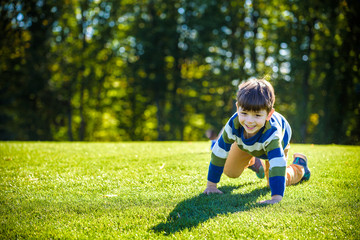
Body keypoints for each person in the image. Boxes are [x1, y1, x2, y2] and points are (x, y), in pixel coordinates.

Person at [203, 78, 310, 204]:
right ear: (238, 108)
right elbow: (219, 151)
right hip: (245, 145)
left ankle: (300, 167)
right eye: (244, 113)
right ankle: (254, 162)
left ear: (269, 114)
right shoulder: (234, 123)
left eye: (257, 115)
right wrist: (211, 185)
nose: (249, 121)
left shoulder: (273, 134)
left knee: (274, 182)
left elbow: (277, 164)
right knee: (230, 171)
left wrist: (275, 198)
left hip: (273, 149)